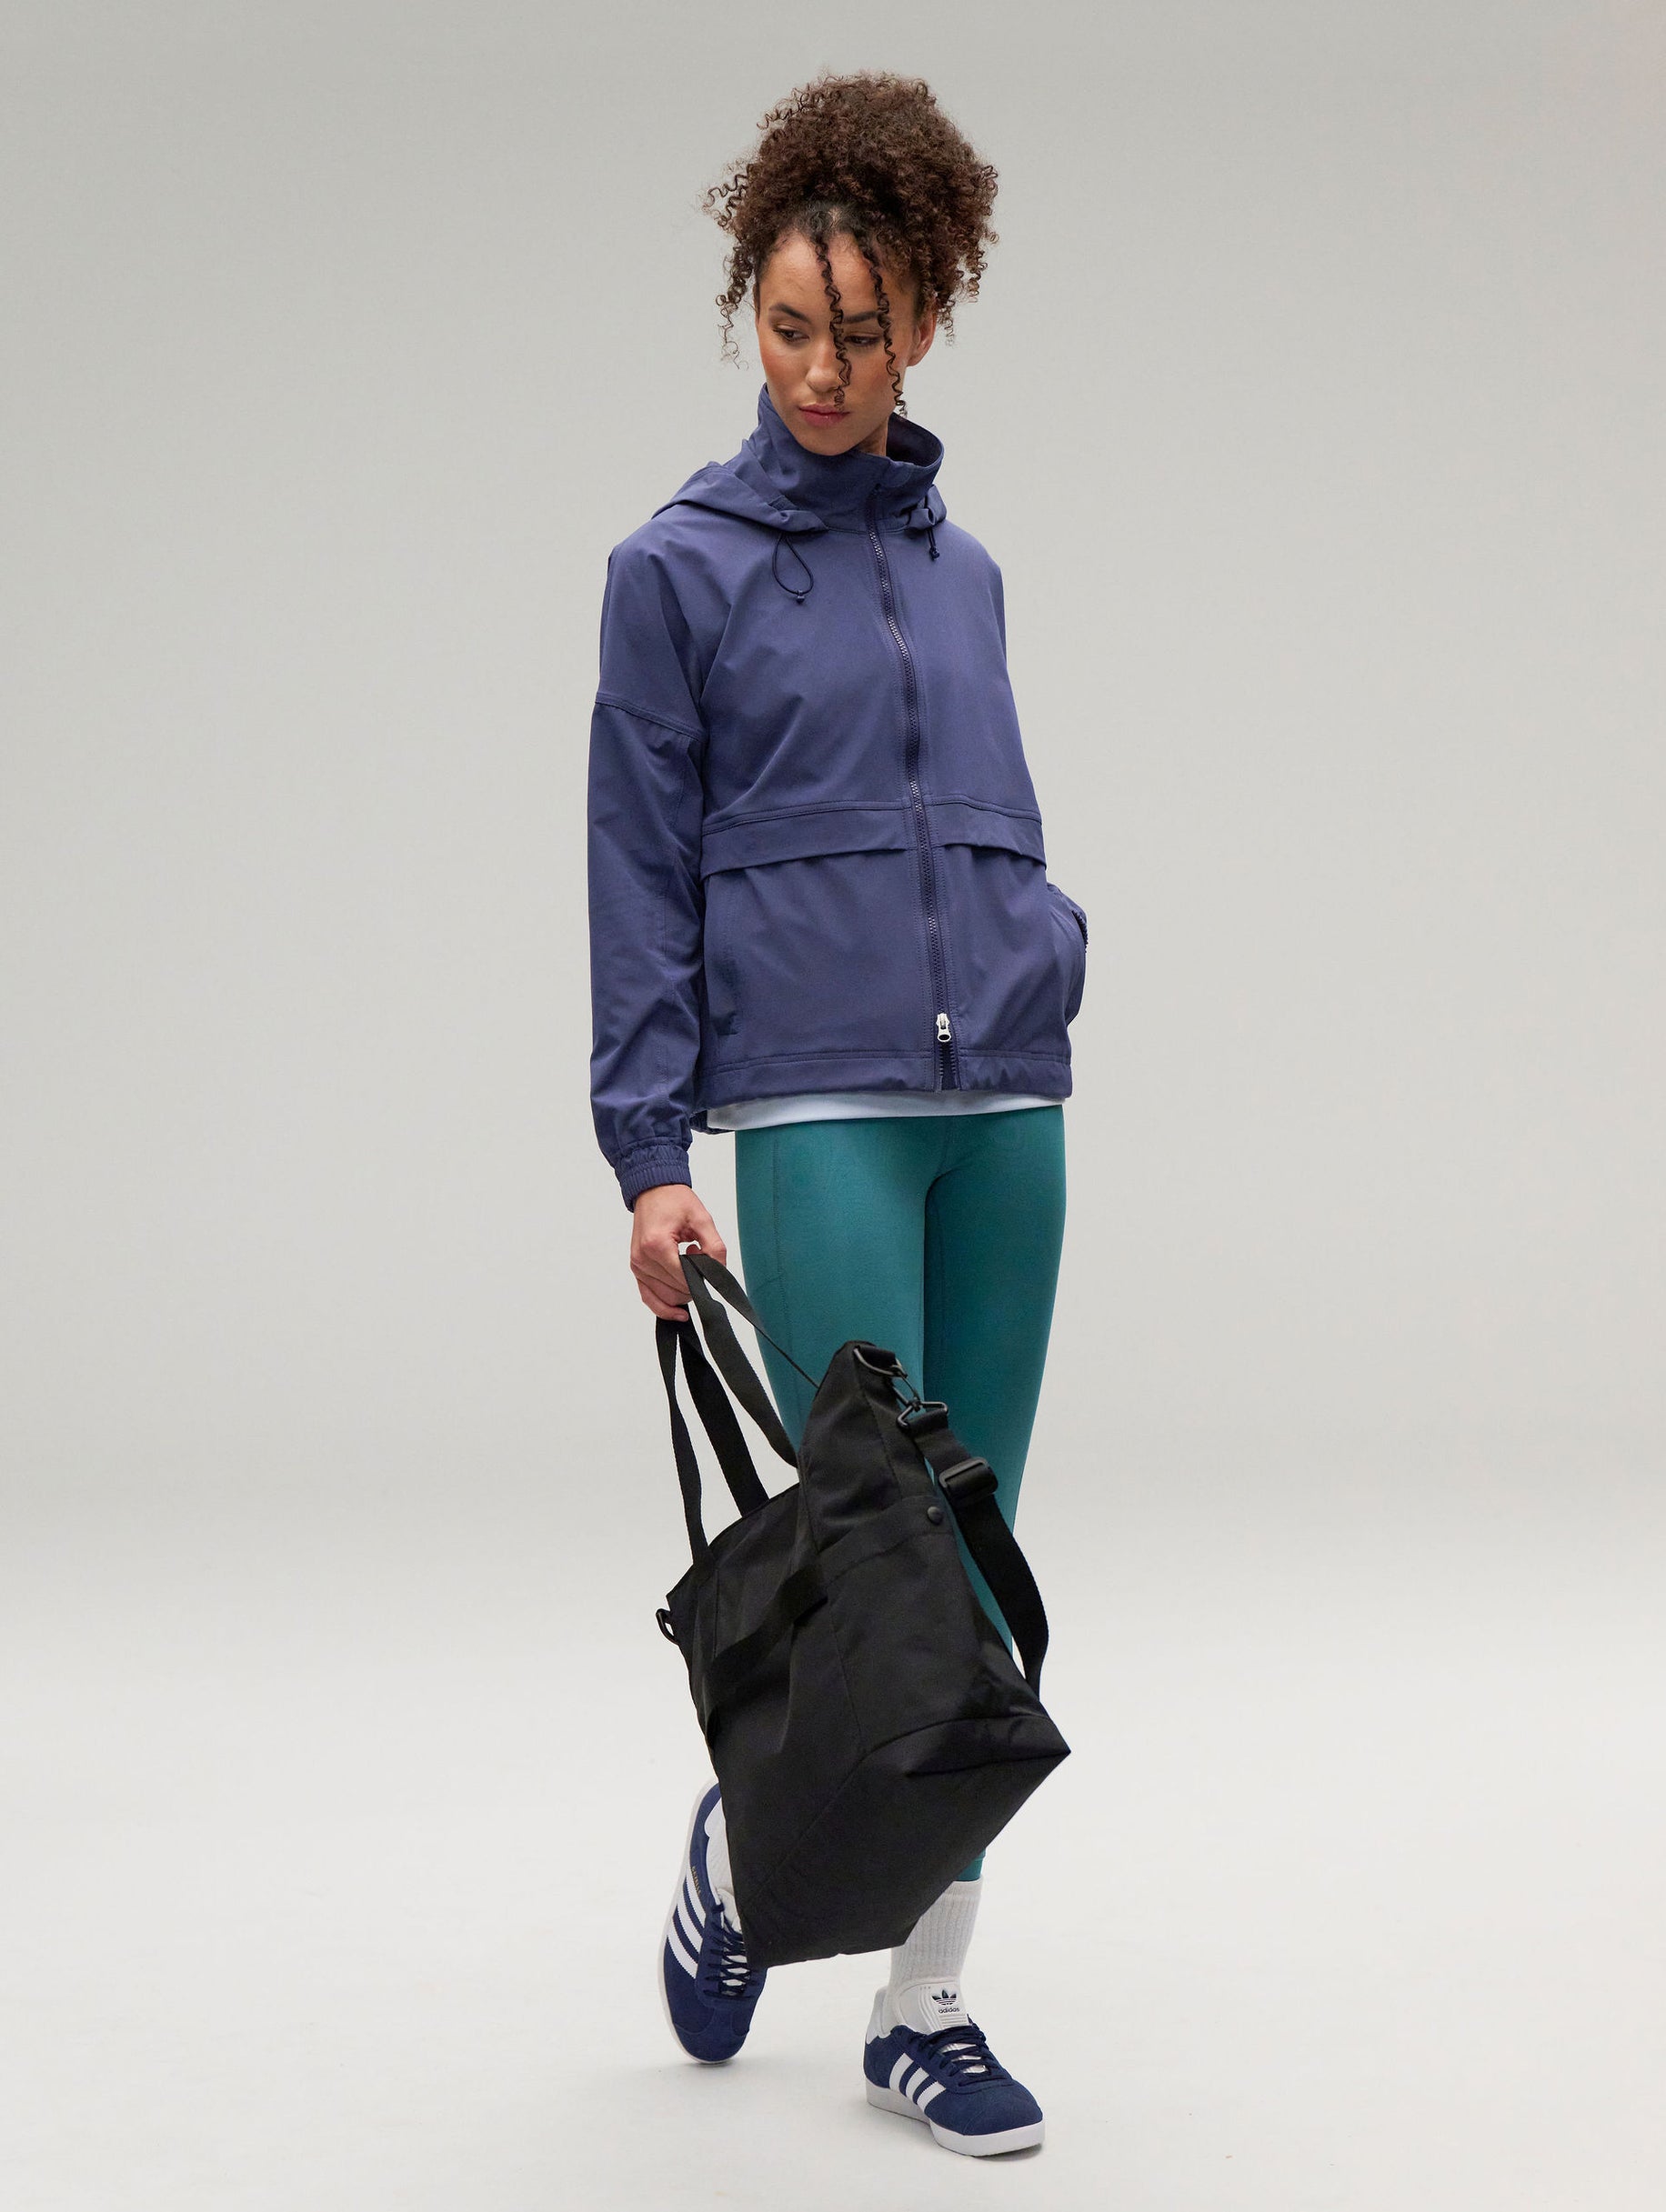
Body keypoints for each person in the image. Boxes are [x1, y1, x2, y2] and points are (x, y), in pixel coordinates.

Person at [587, 71, 1087, 2159]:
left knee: (973, 1572)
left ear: (926, 320)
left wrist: (1047, 949)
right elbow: (636, 862)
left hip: (1005, 1112)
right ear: (753, 312)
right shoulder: (676, 570)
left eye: (859, 332)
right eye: (789, 327)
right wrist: (649, 1154)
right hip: (812, 1113)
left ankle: (922, 2003)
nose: (818, 369)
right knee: (875, 1566)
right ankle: (746, 1835)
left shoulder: (967, 573)